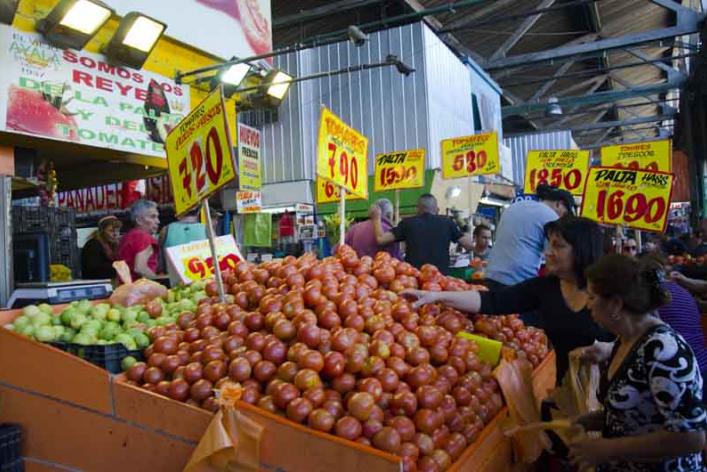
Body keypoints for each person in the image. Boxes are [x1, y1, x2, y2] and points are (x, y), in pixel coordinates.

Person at [402, 216, 613, 382]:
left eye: (558, 246)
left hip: (608, 398)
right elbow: (492, 301)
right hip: (566, 395)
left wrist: (611, 350)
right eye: (549, 244)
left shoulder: (610, 291)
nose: (547, 252)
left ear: (581, 250)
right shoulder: (545, 288)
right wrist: (436, 295)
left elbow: (641, 337)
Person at [569, 254, 706, 472]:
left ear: (615, 304)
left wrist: (607, 449)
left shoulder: (664, 351)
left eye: (592, 297)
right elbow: (631, 415)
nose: (587, 306)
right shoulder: (625, 342)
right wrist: (586, 421)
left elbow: (691, 437)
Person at [485, 184, 575, 290]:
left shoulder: (516, 205)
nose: (563, 218)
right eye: (565, 214)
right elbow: (553, 257)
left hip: (491, 275)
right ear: (559, 204)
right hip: (519, 280)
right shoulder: (551, 217)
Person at [371, 193, 473, 274]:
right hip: (440, 280)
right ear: (436, 209)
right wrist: (467, 228)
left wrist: (376, 218)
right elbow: (469, 245)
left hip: (414, 279)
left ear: (418, 208)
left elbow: (381, 239)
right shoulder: (447, 222)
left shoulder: (407, 223)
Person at [118, 199, 160, 281]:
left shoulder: (127, 236)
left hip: (126, 289)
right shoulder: (143, 237)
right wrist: (159, 283)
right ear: (139, 220)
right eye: (153, 217)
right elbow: (140, 268)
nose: (158, 221)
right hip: (141, 290)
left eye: (157, 217)